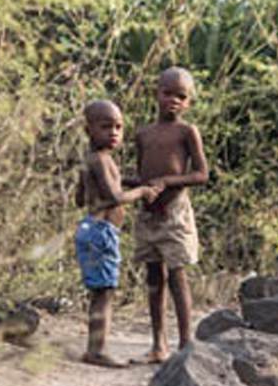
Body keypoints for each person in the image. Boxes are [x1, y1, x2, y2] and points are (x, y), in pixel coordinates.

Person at [74, 99, 161, 367]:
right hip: (101, 232)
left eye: (119, 127)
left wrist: (134, 181)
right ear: (88, 130)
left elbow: (79, 198)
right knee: (105, 292)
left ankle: (94, 347)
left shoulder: (92, 159)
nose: (113, 132)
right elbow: (114, 196)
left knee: (100, 291)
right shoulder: (101, 160)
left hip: (89, 228)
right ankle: (96, 350)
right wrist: (143, 192)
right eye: (105, 127)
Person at [132, 66, 210, 363]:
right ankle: (158, 344)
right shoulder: (143, 134)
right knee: (154, 276)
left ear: (188, 102)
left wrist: (166, 182)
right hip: (149, 213)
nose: (173, 101)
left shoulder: (187, 132)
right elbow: (142, 175)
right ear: (156, 93)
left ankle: (186, 344)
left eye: (181, 96)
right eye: (168, 93)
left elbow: (201, 174)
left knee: (177, 275)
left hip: (175, 212)